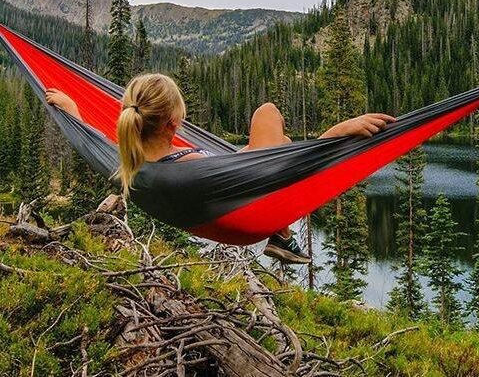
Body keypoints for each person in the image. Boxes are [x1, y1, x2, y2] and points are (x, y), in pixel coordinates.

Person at [45, 74, 395, 264]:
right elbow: (281, 174)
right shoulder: (189, 168)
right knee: (267, 112)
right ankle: (282, 234)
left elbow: (94, 141)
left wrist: (73, 111)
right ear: (173, 122)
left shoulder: (128, 163)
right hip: (245, 216)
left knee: (280, 140)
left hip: (224, 196)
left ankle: (284, 235)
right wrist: (336, 135)